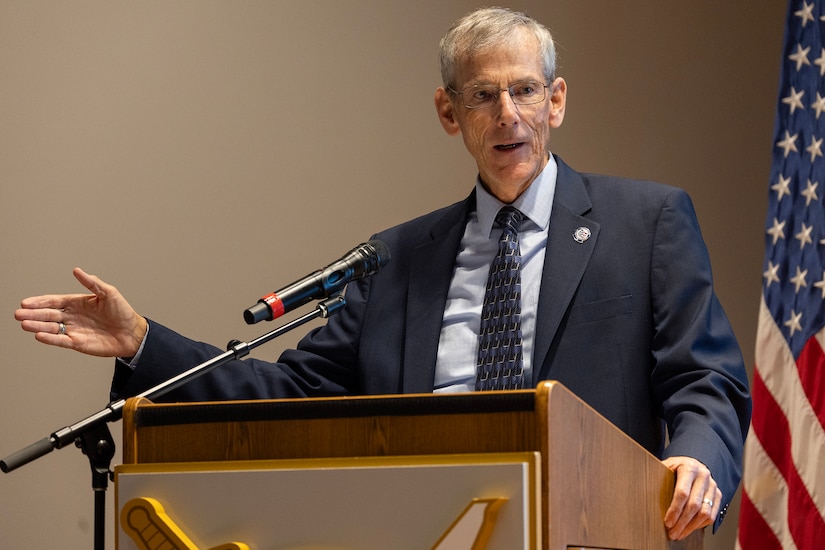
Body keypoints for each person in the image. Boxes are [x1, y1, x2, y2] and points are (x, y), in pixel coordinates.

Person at [14, 6, 749, 542]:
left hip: (589, 525)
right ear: (446, 112)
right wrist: (142, 342)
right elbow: (292, 395)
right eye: (481, 95)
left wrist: (691, 458)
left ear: (555, 101)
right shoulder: (398, 258)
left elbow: (703, 379)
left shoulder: (643, 223)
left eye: (524, 91)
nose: (506, 115)